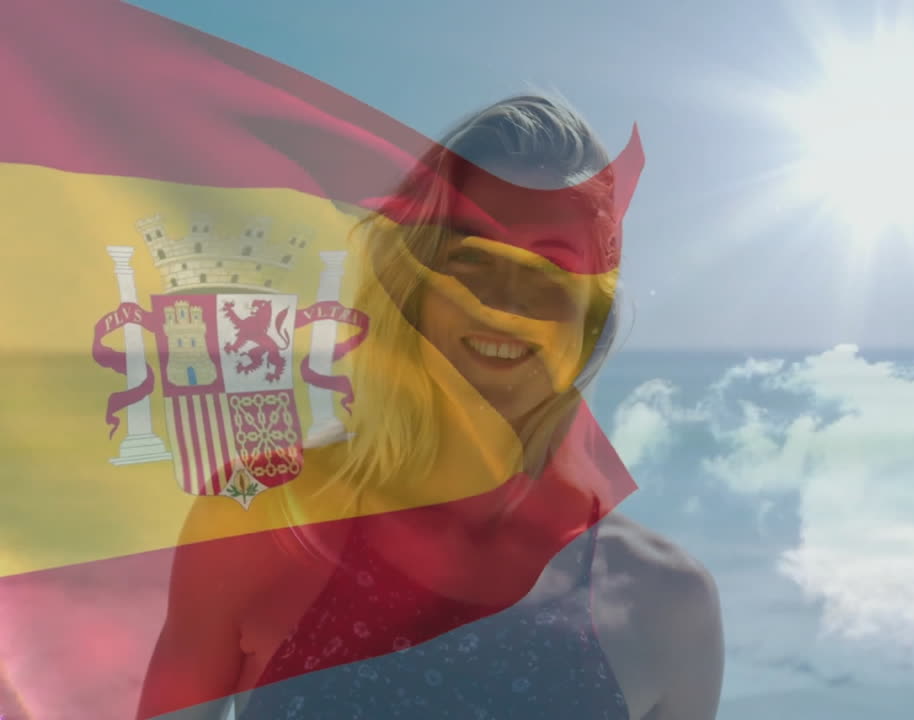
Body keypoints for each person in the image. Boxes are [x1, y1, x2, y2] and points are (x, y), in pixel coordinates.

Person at [137, 95, 724, 720]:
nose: (502, 301)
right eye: (471, 256)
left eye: (552, 267)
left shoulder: (666, 603)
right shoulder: (260, 519)